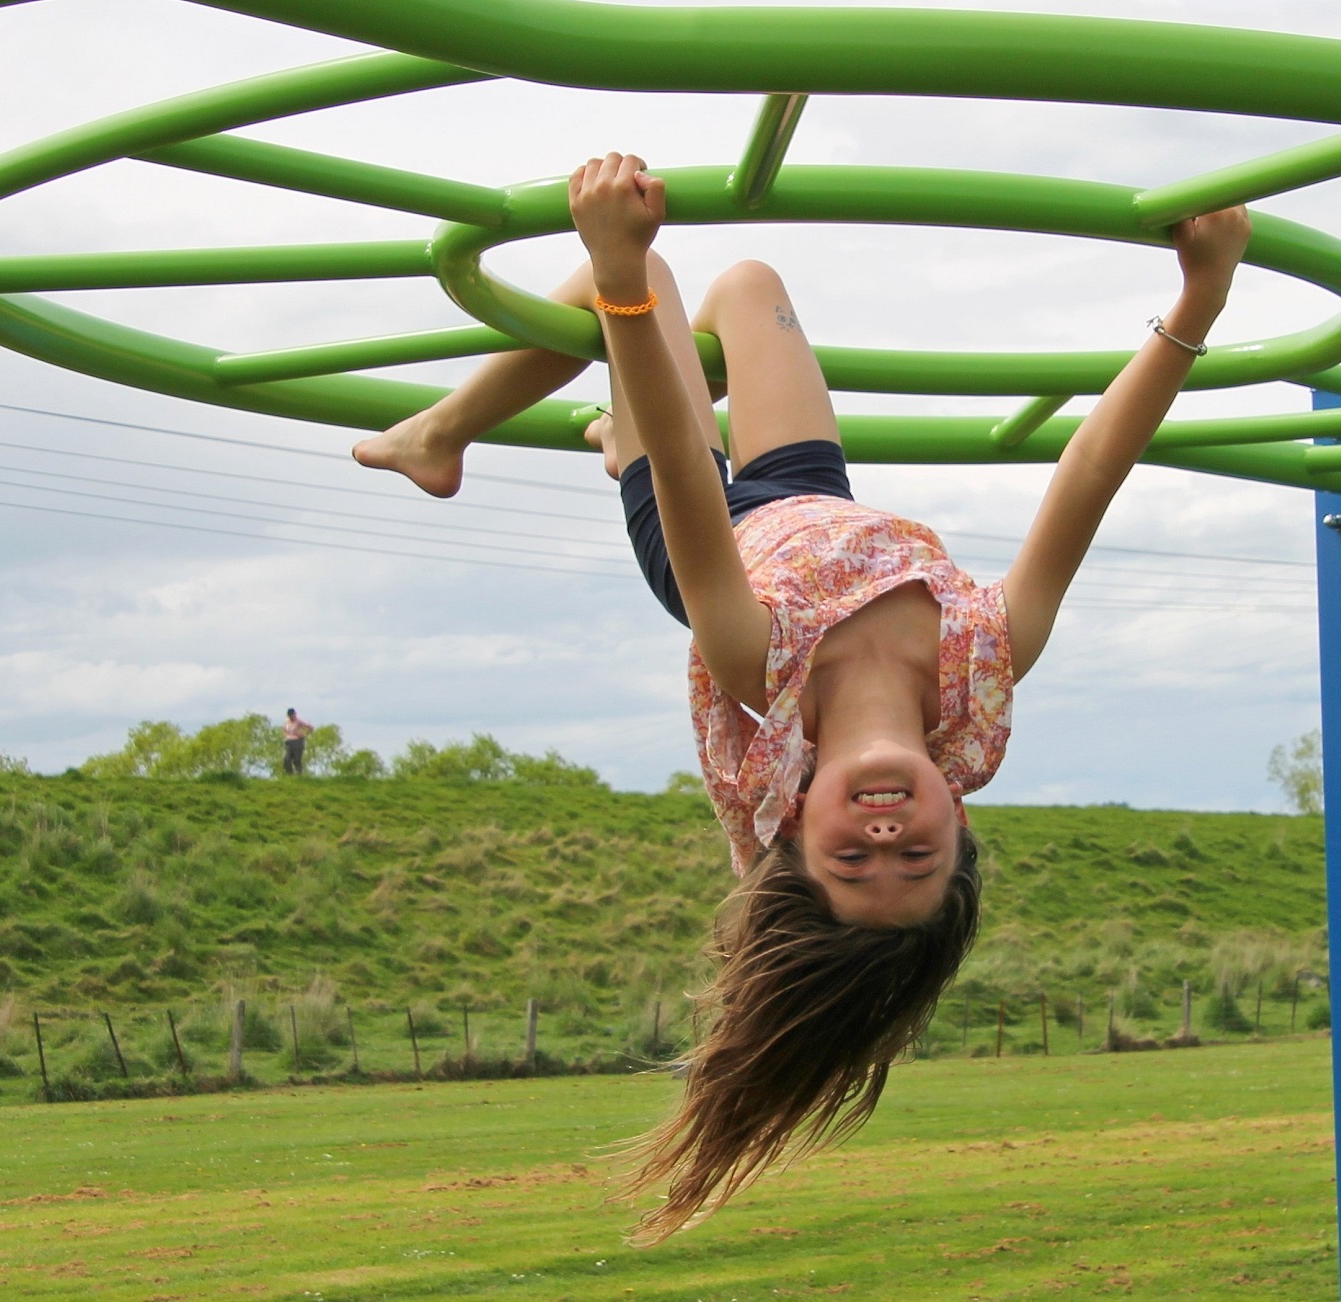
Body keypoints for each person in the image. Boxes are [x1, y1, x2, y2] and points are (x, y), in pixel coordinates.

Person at [353, 153, 1251, 1241]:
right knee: (748, 281)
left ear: (793, 828)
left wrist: (621, 269)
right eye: (911, 859)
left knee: (639, 293)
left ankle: (441, 435)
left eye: (849, 858)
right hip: (814, 495)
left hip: (701, 528)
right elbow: (1091, 472)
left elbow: (689, 473)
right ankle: (606, 432)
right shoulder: (985, 664)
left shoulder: (755, 668)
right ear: (955, 825)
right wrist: (1200, 299)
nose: (883, 835)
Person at [281, 708, 313, 775]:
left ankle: (299, 775)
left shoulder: (298, 721)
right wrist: (285, 735)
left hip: (297, 741)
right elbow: (283, 729)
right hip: (288, 742)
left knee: (297, 759)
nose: (291, 717)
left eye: (292, 715)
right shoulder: (287, 722)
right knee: (286, 759)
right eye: (290, 715)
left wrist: (305, 734)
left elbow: (310, 727)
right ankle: (289, 774)